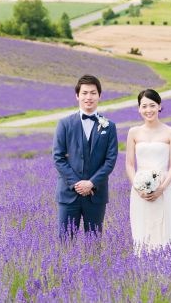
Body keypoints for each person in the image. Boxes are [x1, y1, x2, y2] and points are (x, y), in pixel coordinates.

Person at [53, 74, 119, 238]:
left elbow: (110, 160)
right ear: (77, 96)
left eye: (93, 93)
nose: (88, 97)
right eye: (84, 93)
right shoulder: (64, 123)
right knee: (66, 245)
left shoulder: (109, 126)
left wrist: (91, 183)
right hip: (68, 195)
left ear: (99, 96)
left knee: (94, 245)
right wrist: (77, 184)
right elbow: (58, 157)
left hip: (96, 195)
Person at [125, 89, 171, 253]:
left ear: (159, 106)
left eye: (152, 105)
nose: (148, 110)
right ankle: (146, 267)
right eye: (144, 106)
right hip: (139, 189)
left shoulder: (170, 132)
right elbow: (129, 164)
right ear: (139, 108)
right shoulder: (134, 132)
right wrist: (138, 188)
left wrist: (161, 188)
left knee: (166, 227)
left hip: (164, 187)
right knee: (142, 229)